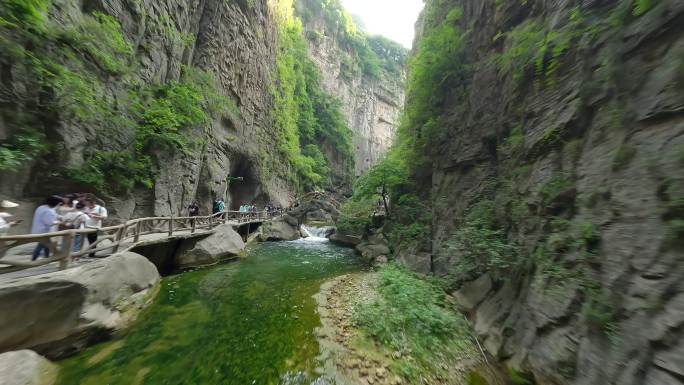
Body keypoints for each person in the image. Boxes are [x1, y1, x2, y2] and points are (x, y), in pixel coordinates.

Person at [30, 196, 62, 260]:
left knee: (46, 244)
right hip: (43, 231)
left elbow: (54, 214)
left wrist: (60, 217)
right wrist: (60, 222)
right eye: (59, 203)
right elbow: (50, 222)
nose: (59, 205)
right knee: (42, 244)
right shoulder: (48, 211)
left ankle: (47, 257)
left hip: (38, 230)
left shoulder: (41, 207)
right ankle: (34, 258)